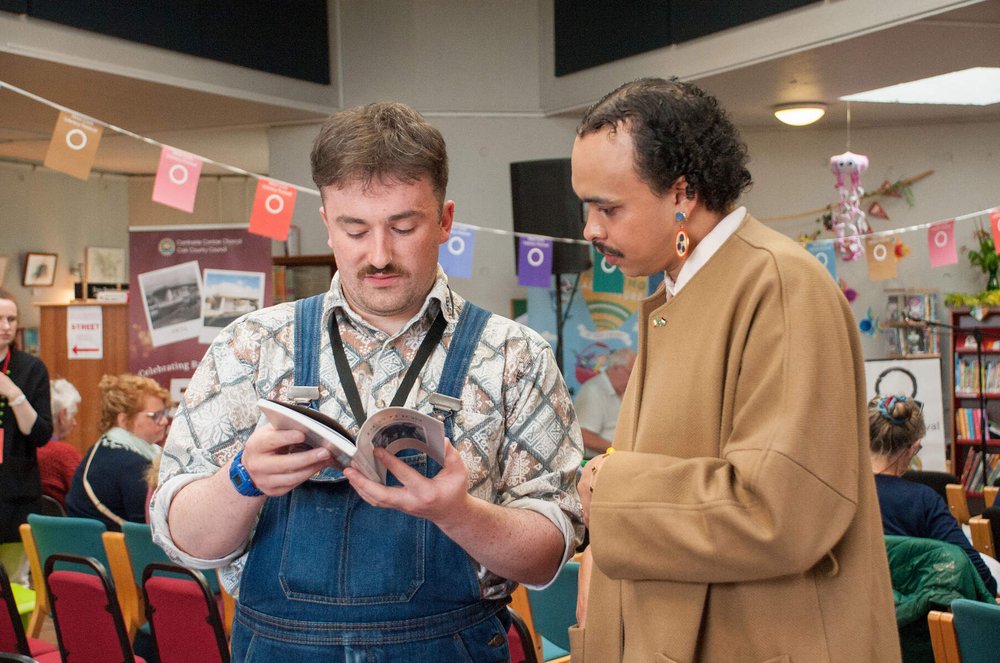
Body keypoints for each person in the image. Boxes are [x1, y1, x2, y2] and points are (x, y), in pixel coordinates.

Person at [150, 102, 584, 661]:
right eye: (355, 229)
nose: (379, 255)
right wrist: (243, 479)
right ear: (327, 221)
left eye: (404, 226)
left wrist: (458, 513)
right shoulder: (250, 346)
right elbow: (184, 543)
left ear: (446, 220)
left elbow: (549, 554)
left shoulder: (513, 356)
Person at [570, 77, 900, 662]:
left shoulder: (778, 285)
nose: (591, 229)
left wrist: (610, 492)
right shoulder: (681, 294)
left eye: (608, 207)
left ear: (683, 193)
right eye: (587, 206)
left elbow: (777, 508)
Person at [870, 394, 997, 595]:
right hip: (916, 620)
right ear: (913, 446)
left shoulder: (842, 495)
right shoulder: (922, 501)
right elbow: (977, 572)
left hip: (853, 614)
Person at [65, 374, 168, 531]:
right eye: (155, 416)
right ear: (124, 420)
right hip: (112, 552)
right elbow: (148, 531)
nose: (165, 421)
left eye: (164, 413)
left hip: (82, 549)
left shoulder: (101, 448)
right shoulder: (134, 465)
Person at [0, 295, 52, 582]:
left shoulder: (31, 369)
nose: (6, 326)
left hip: (14, 492)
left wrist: (14, 394)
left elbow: (41, 435)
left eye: (11, 319)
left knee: (12, 584)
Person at [574, 348, 635, 458]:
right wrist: (619, 451)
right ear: (616, 367)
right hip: (597, 463)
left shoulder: (622, 391)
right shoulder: (593, 390)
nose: (634, 379)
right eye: (631, 373)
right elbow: (584, 436)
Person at [38, 378, 83, 507]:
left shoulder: (19, 449)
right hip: (63, 526)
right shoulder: (64, 454)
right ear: (62, 416)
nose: (75, 423)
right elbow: (84, 497)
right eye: (73, 415)